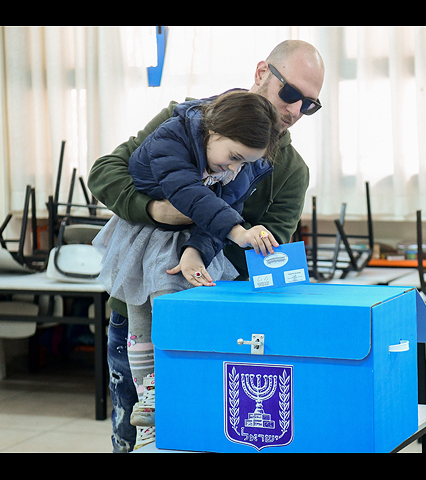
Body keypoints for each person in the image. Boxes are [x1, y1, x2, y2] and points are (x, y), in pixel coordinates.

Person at [87, 39, 325, 452]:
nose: (295, 111)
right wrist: (156, 211)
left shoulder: (290, 171)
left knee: (207, 439)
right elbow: (106, 172)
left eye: (310, 104)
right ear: (261, 72)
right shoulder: (185, 120)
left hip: (219, 322)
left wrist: (201, 242)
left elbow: (260, 257)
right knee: (136, 437)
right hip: (135, 312)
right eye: (291, 94)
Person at [92, 90, 281, 449]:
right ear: (214, 130)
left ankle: (171, 390)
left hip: (186, 238)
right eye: (234, 157)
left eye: (245, 163)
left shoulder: (239, 164)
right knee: (144, 312)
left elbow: (224, 204)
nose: (234, 168)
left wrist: (196, 250)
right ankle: (150, 396)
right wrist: (239, 230)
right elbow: (190, 194)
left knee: (176, 306)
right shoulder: (171, 136)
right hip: (143, 234)